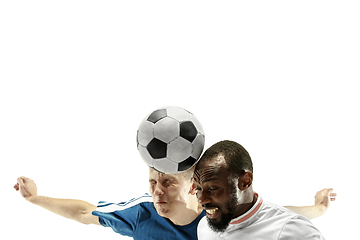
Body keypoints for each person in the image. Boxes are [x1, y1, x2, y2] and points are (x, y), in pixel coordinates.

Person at [15, 170, 335, 239]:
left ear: (193, 186)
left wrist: (318, 209)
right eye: (153, 182)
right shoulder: (141, 214)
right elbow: (85, 213)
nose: (157, 192)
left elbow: (274, 218)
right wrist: (35, 198)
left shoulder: (220, 212)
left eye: (168, 182)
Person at [194, 140, 334, 240]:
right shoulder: (204, 227)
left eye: (212, 188)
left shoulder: (292, 231)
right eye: (198, 188)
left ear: (245, 181)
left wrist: (320, 208)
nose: (201, 199)